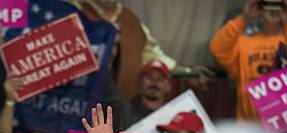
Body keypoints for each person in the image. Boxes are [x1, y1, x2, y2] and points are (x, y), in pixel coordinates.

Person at [71, 0, 210, 99]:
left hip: (120, 106)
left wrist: (187, 72)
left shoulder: (131, 19)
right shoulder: (69, 13)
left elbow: (152, 54)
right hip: (76, 106)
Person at [210, 0, 287, 121]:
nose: (273, 10)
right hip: (251, 128)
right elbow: (217, 48)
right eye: (267, 4)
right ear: (259, 10)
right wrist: (244, 19)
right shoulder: (244, 42)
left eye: (279, 5)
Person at [107, 60, 173, 132]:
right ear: (141, 82)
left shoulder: (173, 116)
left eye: (160, 79)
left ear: (168, 86)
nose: (154, 82)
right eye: (149, 77)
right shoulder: (123, 111)